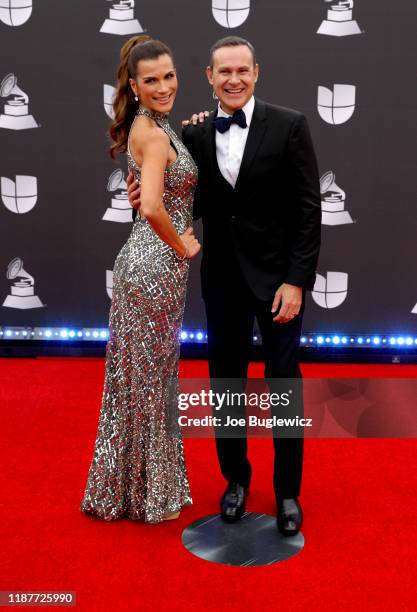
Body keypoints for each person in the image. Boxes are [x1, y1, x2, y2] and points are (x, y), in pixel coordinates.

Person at [127, 36, 321, 535]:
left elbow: (307, 212)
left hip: (279, 283)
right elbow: (174, 193)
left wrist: (297, 281)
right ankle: (235, 481)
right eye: (223, 72)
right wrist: (139, 194)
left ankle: (287, 493)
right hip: (223, 282)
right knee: (226, 386)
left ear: (256, 72)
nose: (233, 79)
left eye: (242, 70)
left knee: (283, 384)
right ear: (209, 78)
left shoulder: (290, 124)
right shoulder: (192, 134)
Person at [80, 35, 200, 524]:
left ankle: (134, 487)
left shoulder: (153, 124)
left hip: (147, 267)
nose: (164, 86)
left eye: (169, 75)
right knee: (150, 382)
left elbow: (152, 193)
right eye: (151, 80)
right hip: (154, 269)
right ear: (134, 84)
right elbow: (151, 206)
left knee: (144, 380)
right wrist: (183, 245)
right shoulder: (150, 132)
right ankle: (148, 492)